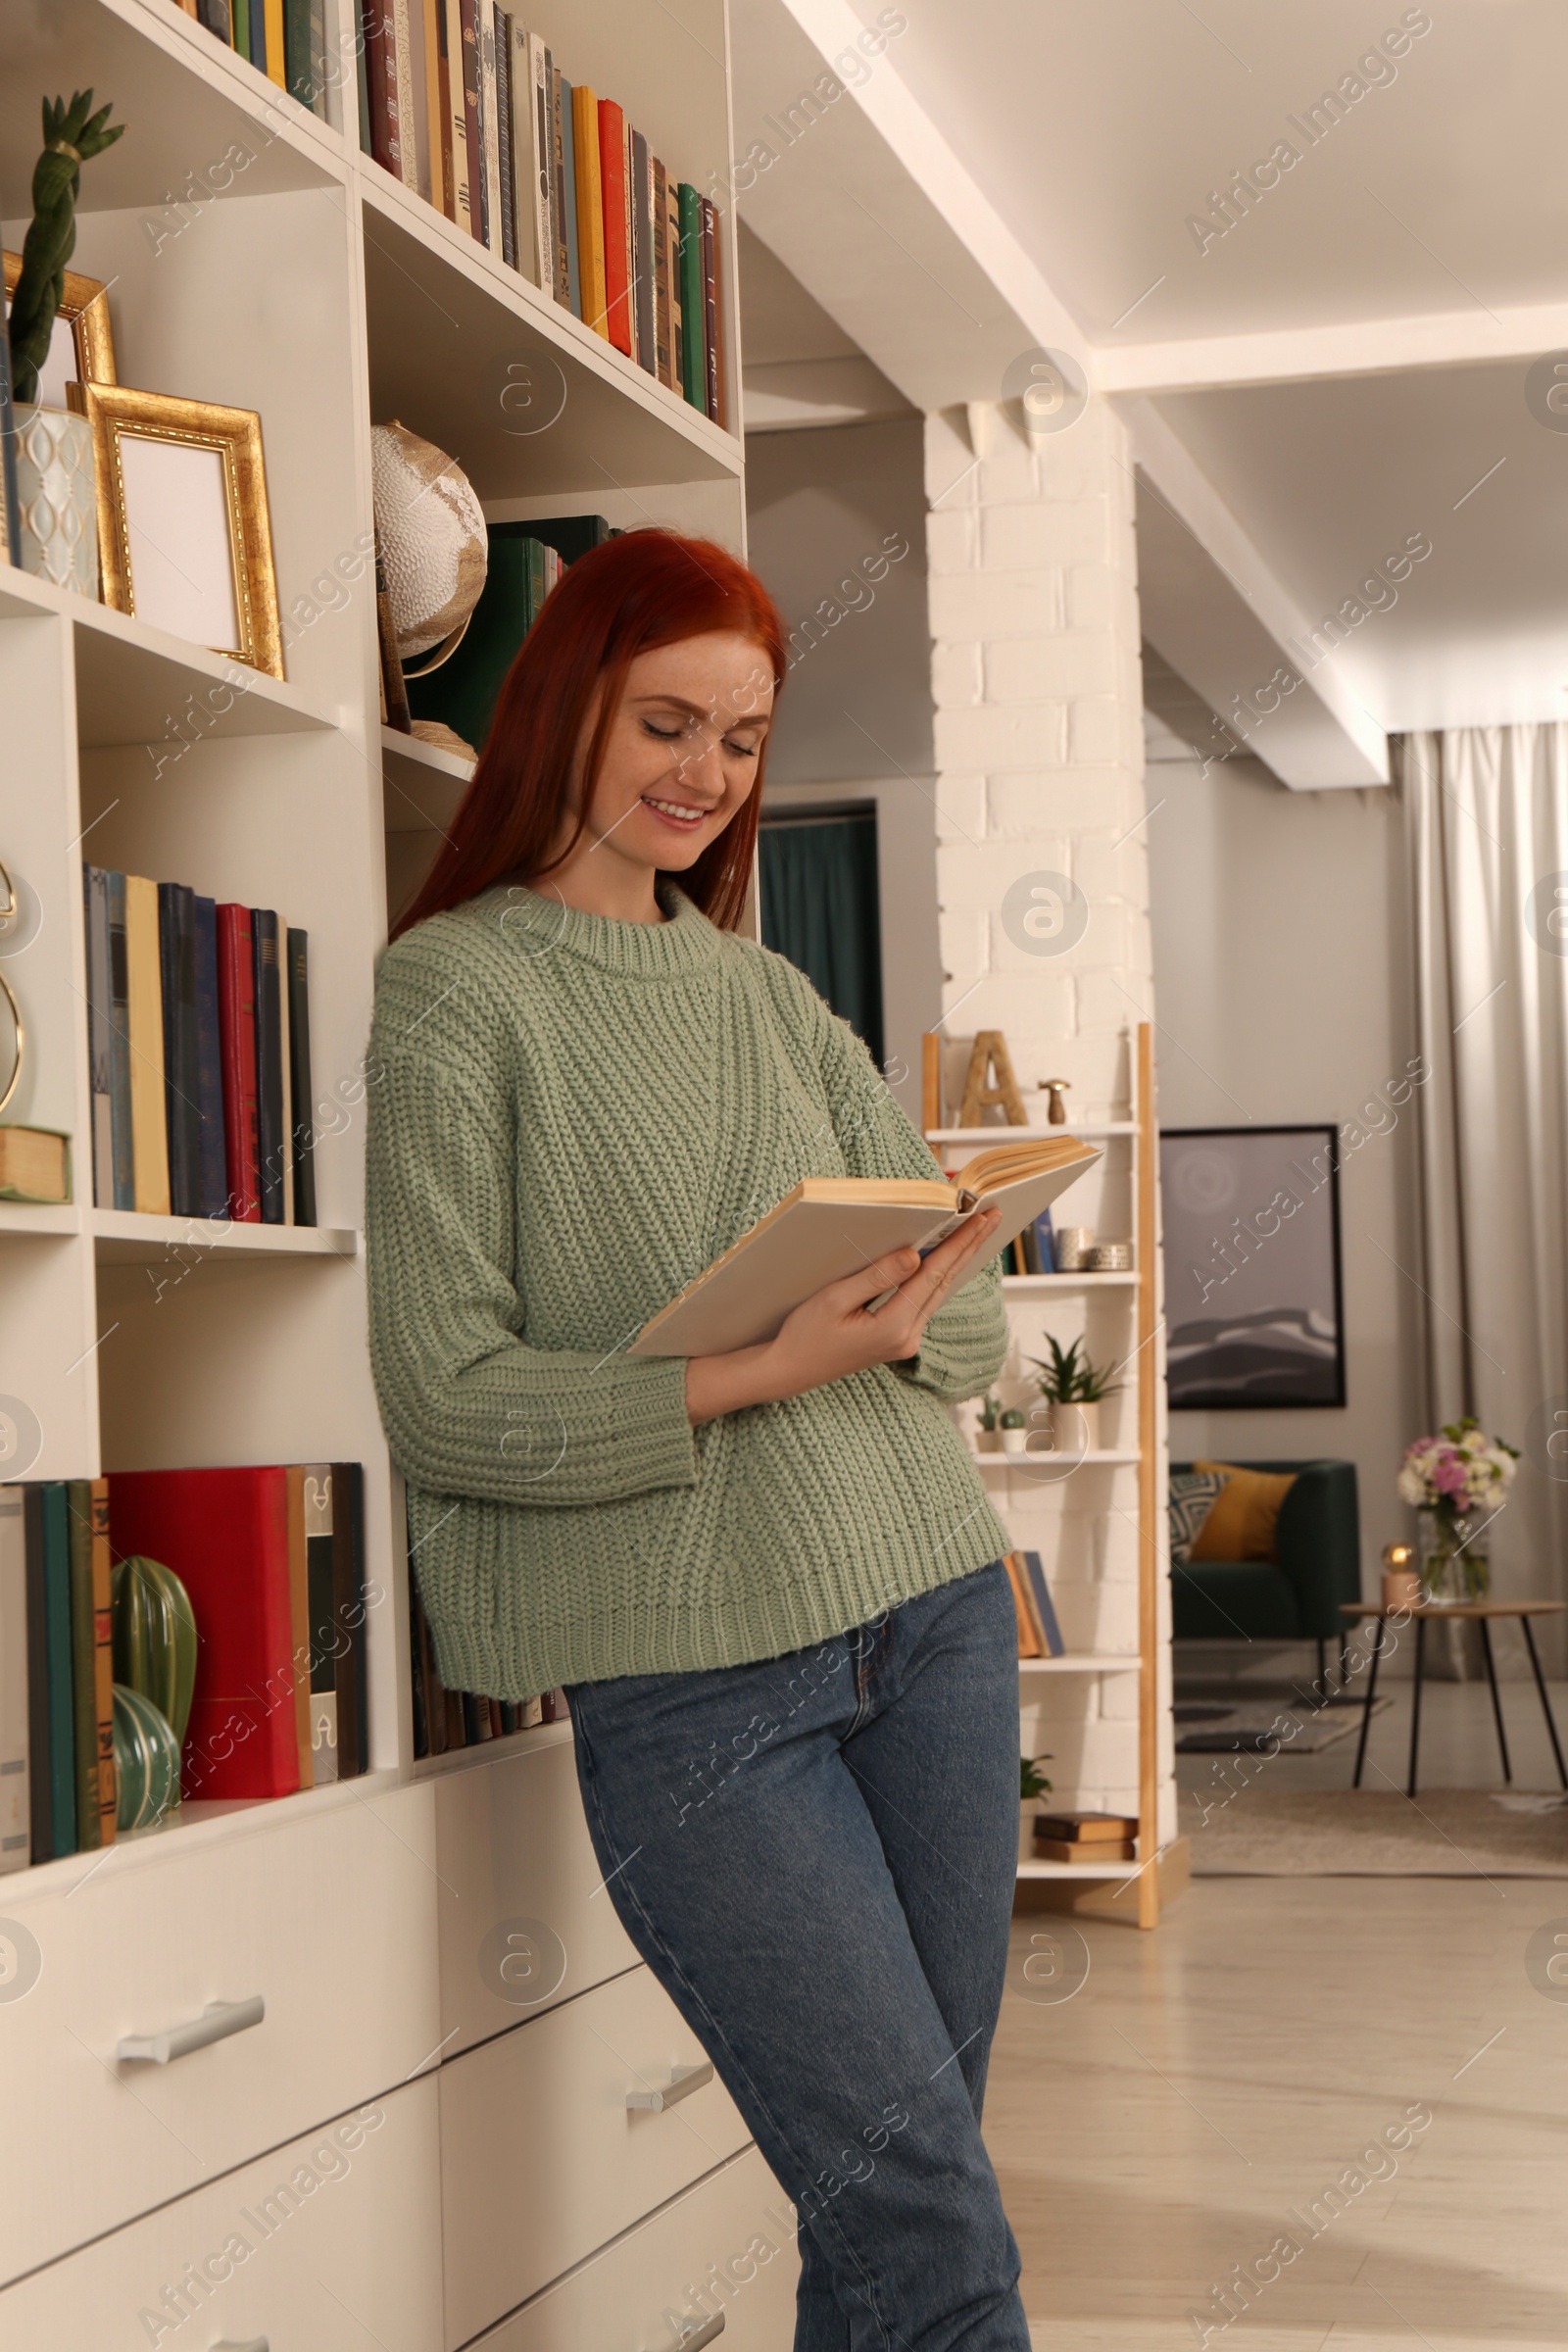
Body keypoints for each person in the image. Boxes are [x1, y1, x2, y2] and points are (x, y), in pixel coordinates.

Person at [366, 529, 1032, 2346]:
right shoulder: (453, 996)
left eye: (740, 741)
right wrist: (775, 1355)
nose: (704, 776)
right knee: (928, 2218)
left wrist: (911, 1278)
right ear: (567, 702)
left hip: (940, 1615)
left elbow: (962, 1327)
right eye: (669, 721)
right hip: (697, 1688)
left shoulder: (767, 991)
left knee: (904, 2205)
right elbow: (447, 1394)